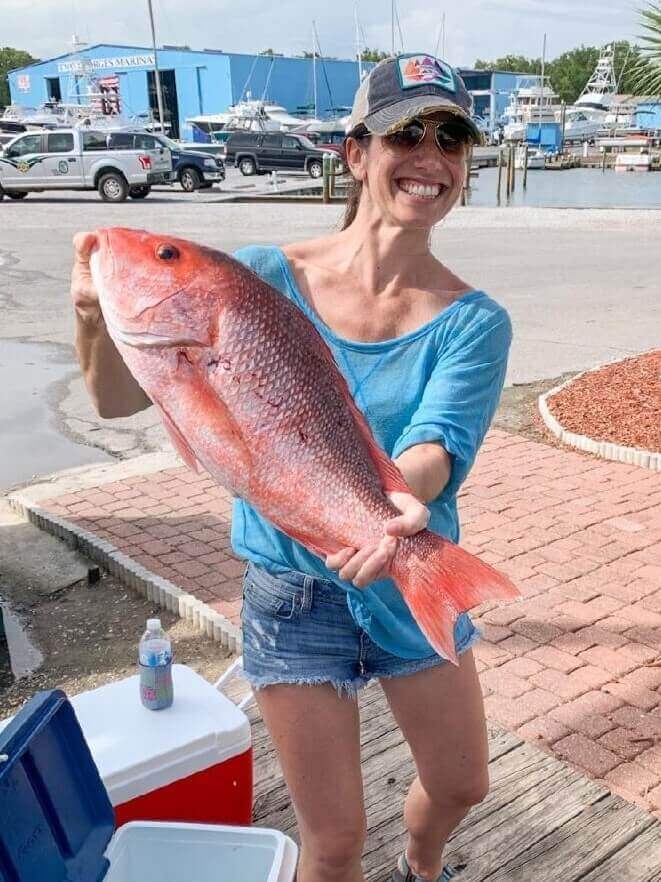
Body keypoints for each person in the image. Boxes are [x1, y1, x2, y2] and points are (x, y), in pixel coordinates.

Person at [71, 53, 512, 882]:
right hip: (291, 592)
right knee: (333, 841)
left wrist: (395, 515)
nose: (430, 155)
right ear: (355, 153)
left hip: (406, 567)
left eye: (451, 138)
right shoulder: (258, 279)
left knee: (461, 782)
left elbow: (434, 449)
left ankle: (423, 860)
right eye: (404, 133)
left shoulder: (474, 321)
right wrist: (94, 318)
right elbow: (115, 404)